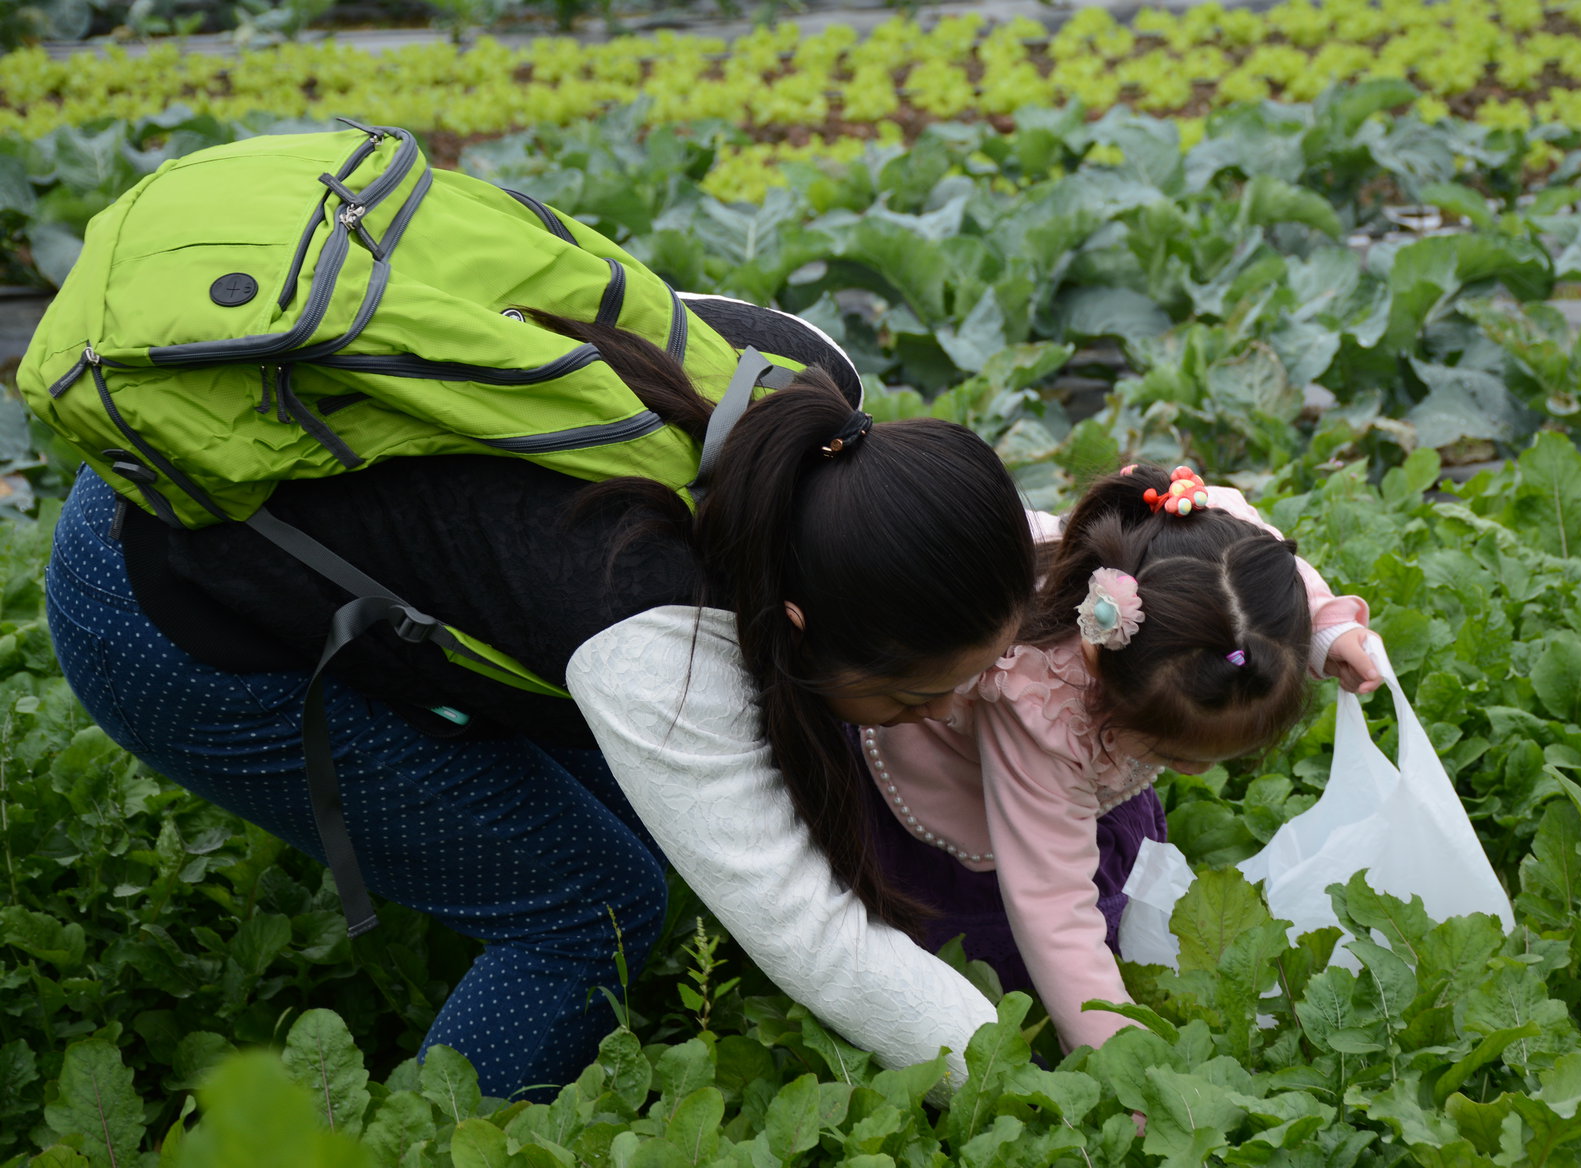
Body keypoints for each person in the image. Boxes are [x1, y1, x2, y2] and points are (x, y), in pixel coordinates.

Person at [42, 297, 1038, 1098]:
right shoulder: (646, 627)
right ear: (799, 616)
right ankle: (433, 1137)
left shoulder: (808, 394)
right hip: (158, 596)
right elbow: (816, 937)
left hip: (244, 446)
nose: (948, 713)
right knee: (592, 899)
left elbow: (946, 549)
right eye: (917, 694)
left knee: (638, 827)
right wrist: (1035, 1092)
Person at [855, 463, 1379, 1054]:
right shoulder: (1038, 710)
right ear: (1102, 674)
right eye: (1171, 752)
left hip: (1085, 763)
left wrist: (1325, 627)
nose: (1192, 772)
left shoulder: (1203, 549)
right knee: (1005, 968)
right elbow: (1053, 911)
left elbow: (1264, 583)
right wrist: (1121, 1062)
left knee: (1106, 863)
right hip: (959, 789)